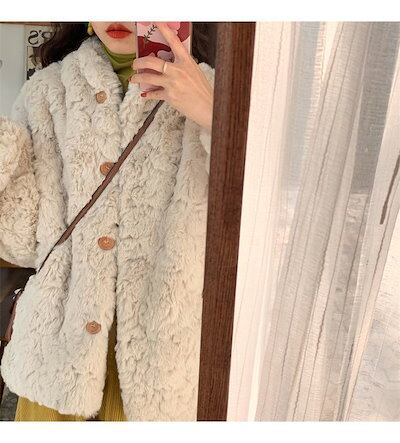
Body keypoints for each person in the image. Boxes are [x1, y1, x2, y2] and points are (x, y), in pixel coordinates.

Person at [0, 21, 215, 421]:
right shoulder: (47, 93)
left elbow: (255, 219)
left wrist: (213, 114)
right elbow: (26, 243)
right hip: (56, 364)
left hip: (163, 369)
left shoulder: (210, 91)